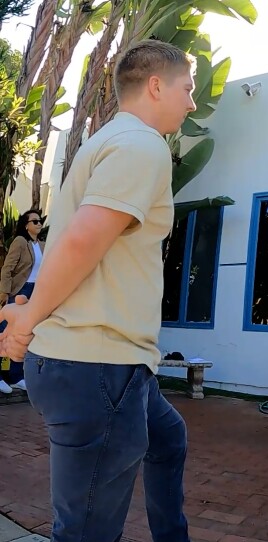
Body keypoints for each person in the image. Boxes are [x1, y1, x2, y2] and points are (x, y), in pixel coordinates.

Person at [0, 39, 196, 541]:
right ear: (156, 86)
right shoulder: (142, 145)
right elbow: (85, 240)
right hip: (98, 367)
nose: (192, 102)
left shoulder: (108, 141)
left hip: (111, 366)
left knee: (168, 438)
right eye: (186, 89)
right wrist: (27, 318)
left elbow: (75, 243)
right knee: (84, 533)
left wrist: (32, 310)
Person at [0, 210, 46, 393]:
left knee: (23, 336)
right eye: (34, 221)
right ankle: (1, 376)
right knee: (5, 333)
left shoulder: (42, 245)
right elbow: (7, 268)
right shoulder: (20, 242)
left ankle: (16, 376)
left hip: (35, 294)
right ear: (26, 225)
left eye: (40, 220)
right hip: (19, 291)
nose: (39, 223)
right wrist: (4, 292)